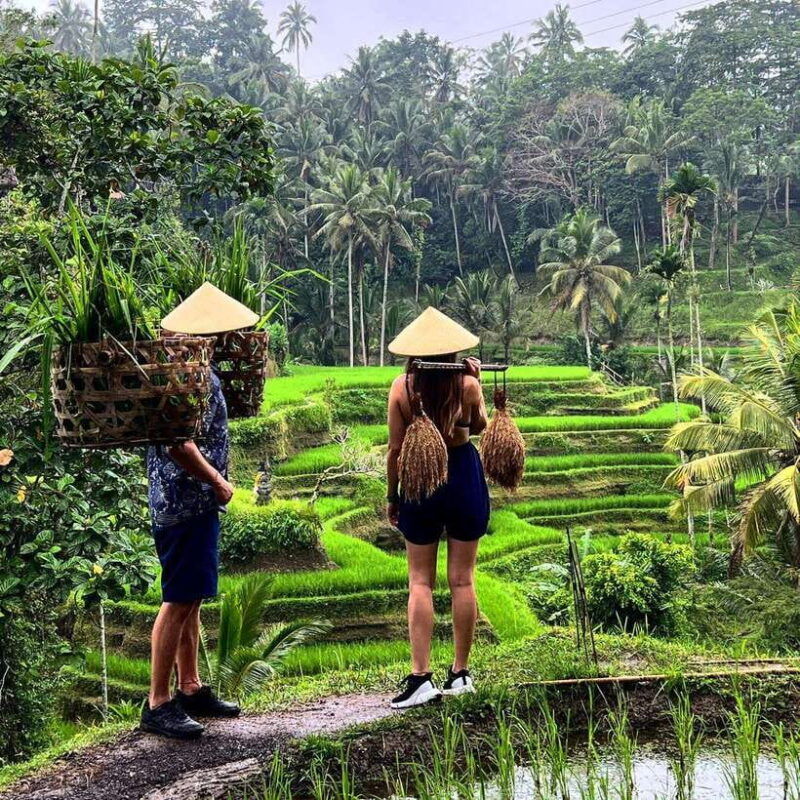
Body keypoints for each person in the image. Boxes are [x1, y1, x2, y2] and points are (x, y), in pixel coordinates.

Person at [140, 283, 258, 739]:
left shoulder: (191, 373)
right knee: (179, 599)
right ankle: (158, 702)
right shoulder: (183, 378)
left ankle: (189, 686)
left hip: (189, 502)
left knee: (191, 596)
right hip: (184, 500)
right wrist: (218, 481)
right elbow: (178, 444)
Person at [385, 307, 490, 709]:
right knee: (463, 580)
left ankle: (420, 677)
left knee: (420, 581)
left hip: (419, 479)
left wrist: (393, 494)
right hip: (462, 473)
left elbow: (396, 449)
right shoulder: (466, 384)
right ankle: (460, 672)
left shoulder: (402, 387)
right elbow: (478, 427)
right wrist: (476, 384)